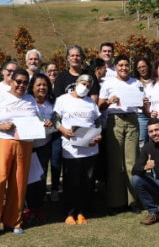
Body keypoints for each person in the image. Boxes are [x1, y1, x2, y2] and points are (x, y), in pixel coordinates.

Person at [0, 69, 51, 240]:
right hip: (2, 142)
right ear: (11, 81)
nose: (21, 85)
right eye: (18, 81)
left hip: (25, 144)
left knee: (19, 183)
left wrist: (45, 123)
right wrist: (1, 126)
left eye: (25, 83)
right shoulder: (0, 97)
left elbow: (37, 120)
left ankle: (14, 221)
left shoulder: (30, 99)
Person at [53, 74, 102, 225]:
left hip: (90, 149)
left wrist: (98, 135)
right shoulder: (62, 99)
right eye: (83, 83)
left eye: (88, 85)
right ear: (76, 83)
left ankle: (81, 212)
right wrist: (62, 130)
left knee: (86, 182)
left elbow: (98, 122)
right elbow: (55, 118)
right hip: (71, 149)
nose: (85, 87)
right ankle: (69, 212)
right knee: (71, 182)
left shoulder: (90, 103)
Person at [98, 54, 142, 212]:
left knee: (132, 162)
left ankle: (133, 201)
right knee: (115, 163)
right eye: (120, 65)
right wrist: (109, 101)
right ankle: (116, 202)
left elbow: (142, 103)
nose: (124, 68)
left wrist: (145, 104)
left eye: (126, 65)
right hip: (115, 120)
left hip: (132, 120)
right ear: (115, 67)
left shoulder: (136, 82)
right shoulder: (108, 83)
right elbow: (100, 106)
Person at [24, 73, 55, 224]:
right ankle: (27, 208)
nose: (42, 87)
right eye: (38, 85)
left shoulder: (52, 102)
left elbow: (58, 121)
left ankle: (38, 207)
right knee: (28, 178)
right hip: (28, 145)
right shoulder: (27, 101)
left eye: (45, 85)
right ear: (32, 87)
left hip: (44, 145)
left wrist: (52, 124)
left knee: (41, 177)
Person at [44, 62, 63, 202]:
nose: (52, 73)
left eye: (55, 70)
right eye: (49, 71)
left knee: (56, 161)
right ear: (45, 73)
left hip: (57, 130)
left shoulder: (61, 88)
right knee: (43, 162)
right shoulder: (42, 87)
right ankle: (42, 189)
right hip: (43, 131)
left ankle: (55, 188)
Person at [134, 57, 154, 147]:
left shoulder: (157, 81)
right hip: (141, 116)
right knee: (142, 142)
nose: (142, 69)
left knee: (155, 140)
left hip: (155, 114)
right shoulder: (134, 83)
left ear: (148, 66)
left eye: (144, 66)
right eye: (139, 68)